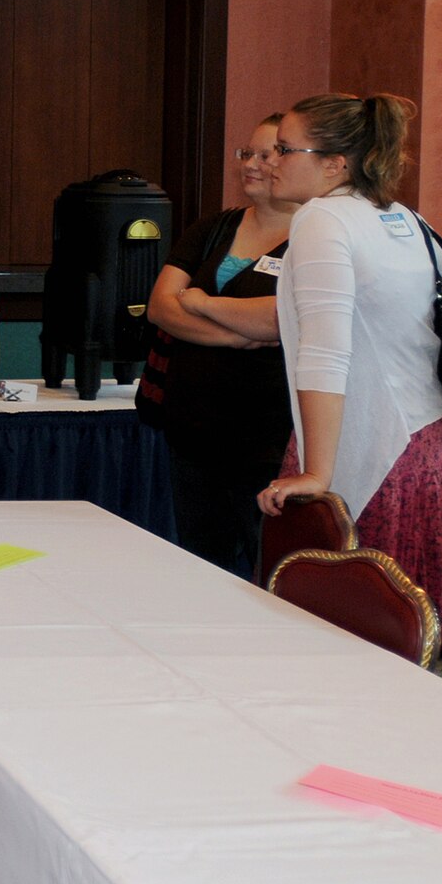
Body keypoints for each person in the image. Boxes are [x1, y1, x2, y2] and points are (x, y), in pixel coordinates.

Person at [256, 93, 442, 624]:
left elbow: (325, 351)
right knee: (411, 638)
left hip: (372, 447)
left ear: (334, 163)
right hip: (431, 444)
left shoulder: (323, 218)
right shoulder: (403, 217)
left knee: (349, 632)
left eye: (283, 149)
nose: (270, 162)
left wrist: (317, 473)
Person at [144, 114, 296, 577]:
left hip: (269, 443)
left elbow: (278, 320)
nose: (251, 164)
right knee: (201, 567)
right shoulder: (214, 227)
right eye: (246, 153)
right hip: (193, 435)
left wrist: (201, 302)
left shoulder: (315, 238)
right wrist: (234, 331)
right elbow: (160, 308)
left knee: (267, 570)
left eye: (266, 154)